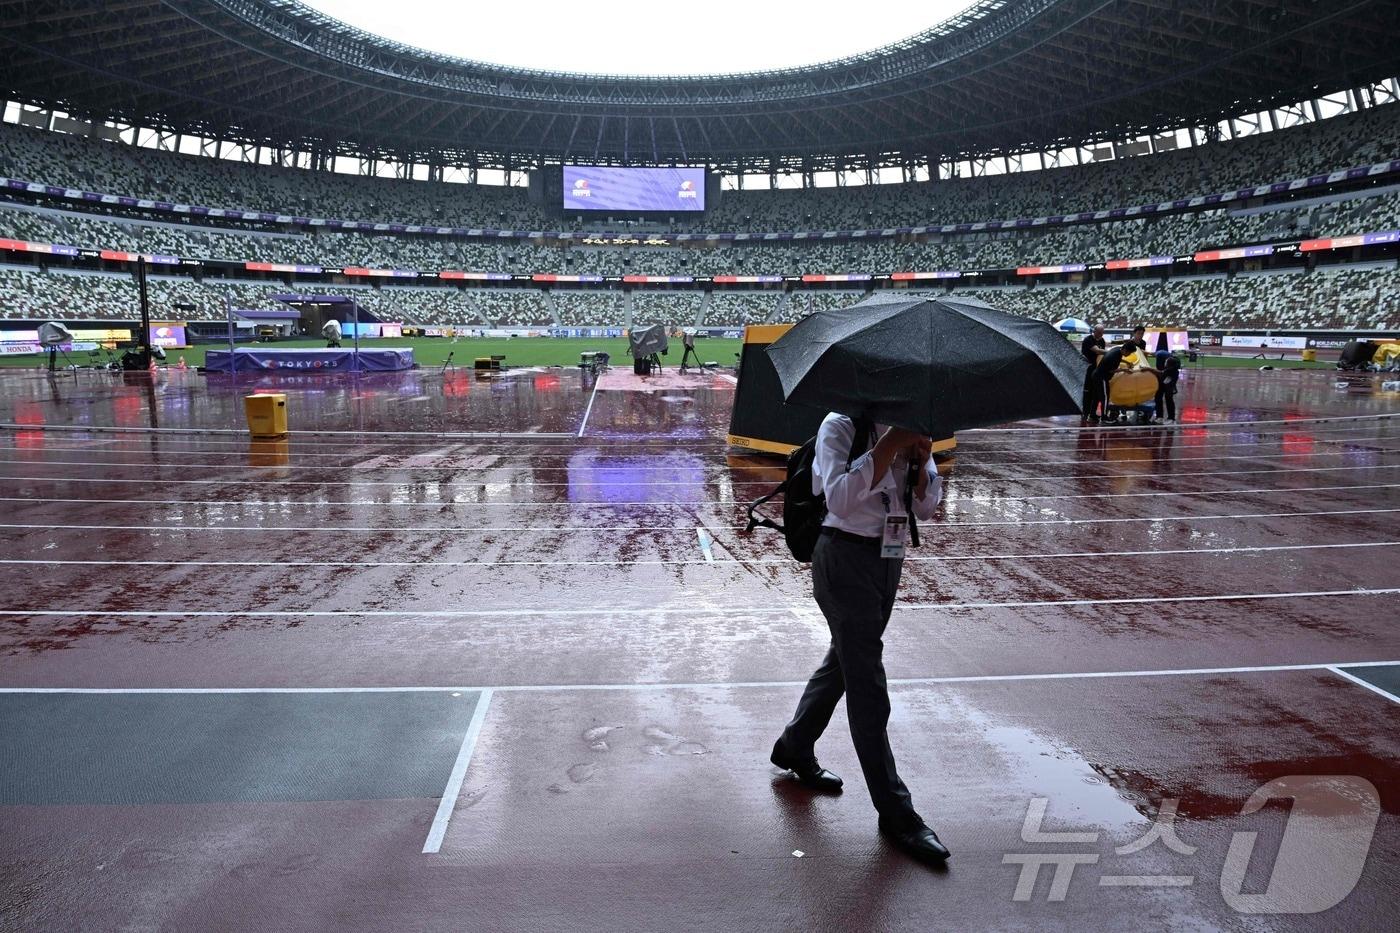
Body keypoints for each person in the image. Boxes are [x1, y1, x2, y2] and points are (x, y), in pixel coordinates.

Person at [771, 414, 950, 865]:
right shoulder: (839, 426)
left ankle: (794, 744)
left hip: (888, 559)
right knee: (867, 679)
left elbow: (926, 509)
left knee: (845, 663)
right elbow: (841, 498)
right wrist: (888, 446)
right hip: (842, 557)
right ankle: (896, 812)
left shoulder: (912, 425)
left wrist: (923, 466)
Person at [1093, 340, 1136, 423]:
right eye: (1129, 353)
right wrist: (1124, 369)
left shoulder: (1117, 350)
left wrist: (1127, 362)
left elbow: (1119, 359)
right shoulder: (1114, 356)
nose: (1129, 355)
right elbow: (1111, 371)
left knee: (1097, 397)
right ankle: (1104, 418)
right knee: (1105, 398)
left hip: (1097, 375)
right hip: (1101, 377)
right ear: (1125, 350)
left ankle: (1092, 415)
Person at [1079, 325, 1107, 425]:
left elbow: (1101, 354)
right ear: (1094, 331)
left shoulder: (1102, 341)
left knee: (1096, 392)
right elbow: (1098, 351)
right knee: (1088, 392)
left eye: (1102, 333)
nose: (1101, 335)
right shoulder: (1088, 340)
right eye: (1099, 333)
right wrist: (1110, 352)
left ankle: (1092, 413)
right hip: (1087, 368)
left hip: (1097, 369)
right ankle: (1085, 413)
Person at [1153, 355, 1181, 424]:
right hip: (1163, 387)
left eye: (1166, 361)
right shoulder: (1171, 370)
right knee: (1159, 399)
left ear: (1170, 364)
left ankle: (1170, 418)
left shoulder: (1170, 371)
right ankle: (1160, 417)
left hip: (1168, 388)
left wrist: (1149, 369)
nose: (1165, 362)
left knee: (1168, 401)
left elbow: (1160, 373)